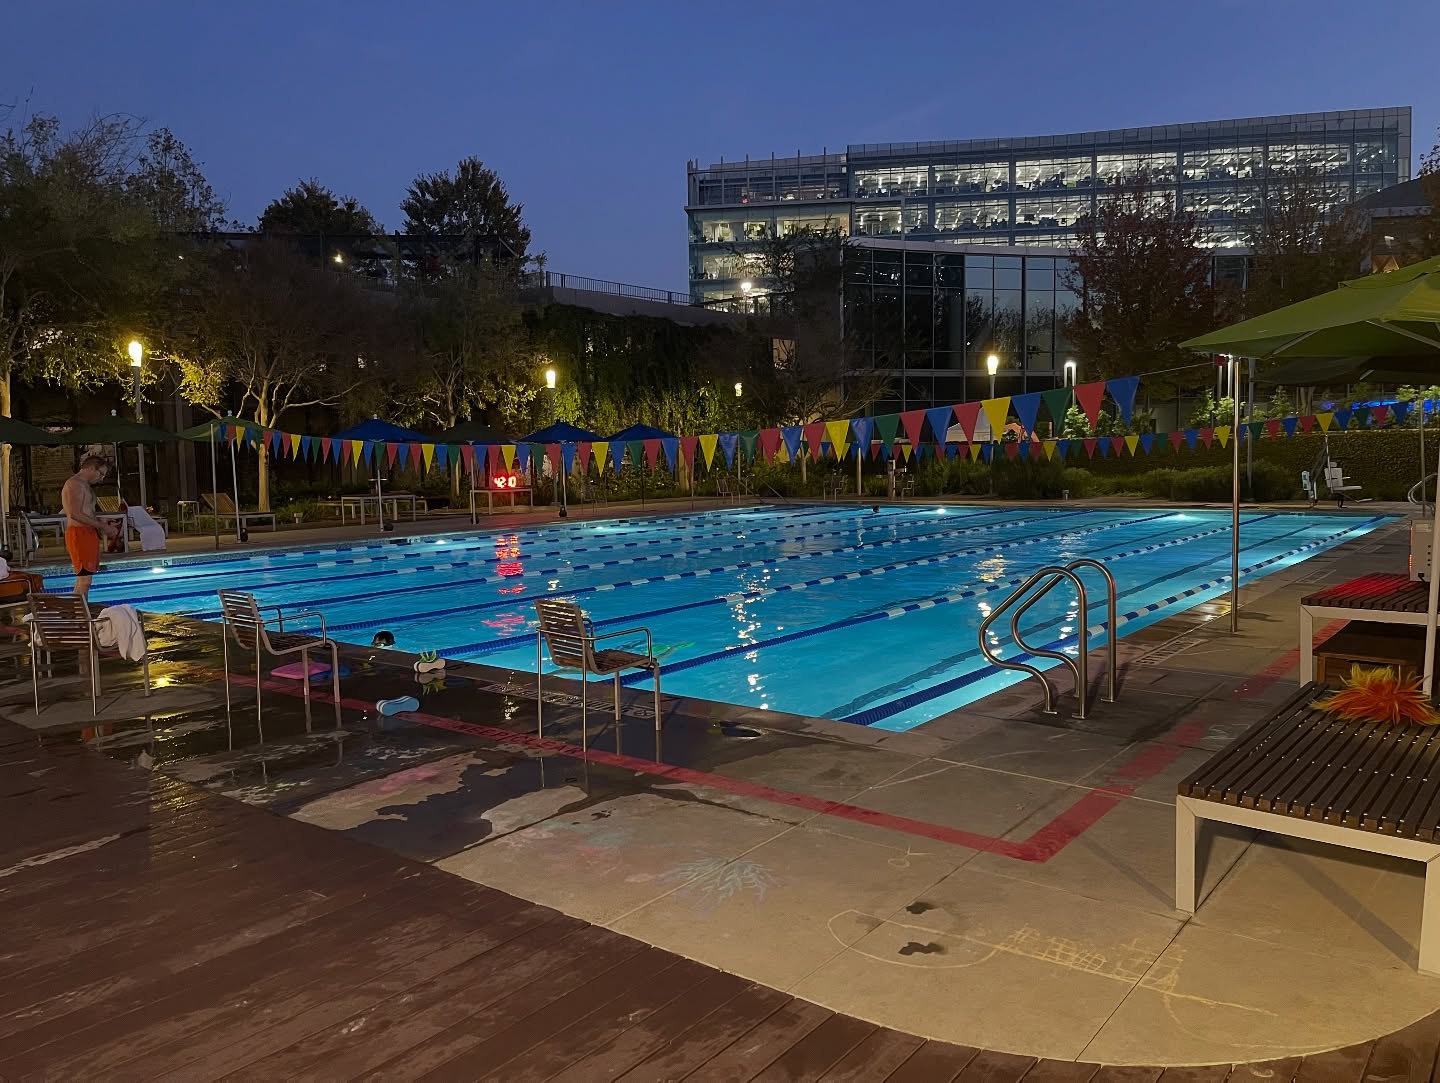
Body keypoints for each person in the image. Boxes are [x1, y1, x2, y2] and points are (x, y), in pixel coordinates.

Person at [61, 456, 119, 603]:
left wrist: (100, 521)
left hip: (87, 534)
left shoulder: (83, 485)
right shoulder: (74, 484)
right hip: (79, 534)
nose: (102, 478)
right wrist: (103, 526)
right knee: (85, 580)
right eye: (101, 473)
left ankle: (77, 612)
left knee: (83, 579)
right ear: (91, 468)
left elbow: (86, 512)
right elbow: (74, 513)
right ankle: (80, 615)